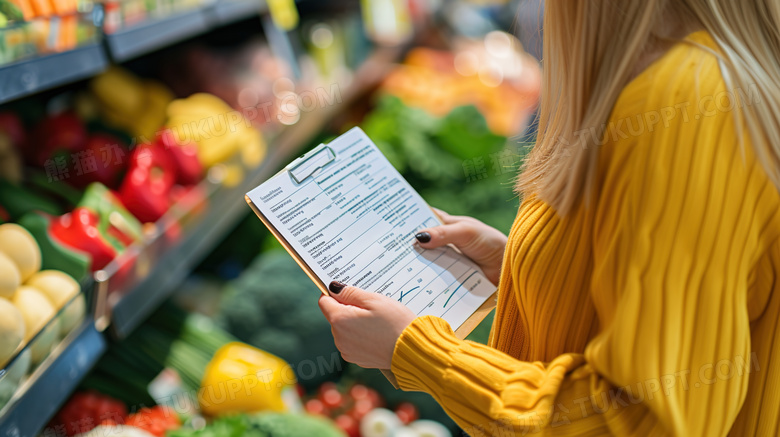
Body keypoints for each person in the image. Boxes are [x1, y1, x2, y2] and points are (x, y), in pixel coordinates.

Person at [318, 0, 780, 435]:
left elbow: (640, 415)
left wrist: (423, 355)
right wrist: (523, 266)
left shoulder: (682, 103)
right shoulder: (693, 70)